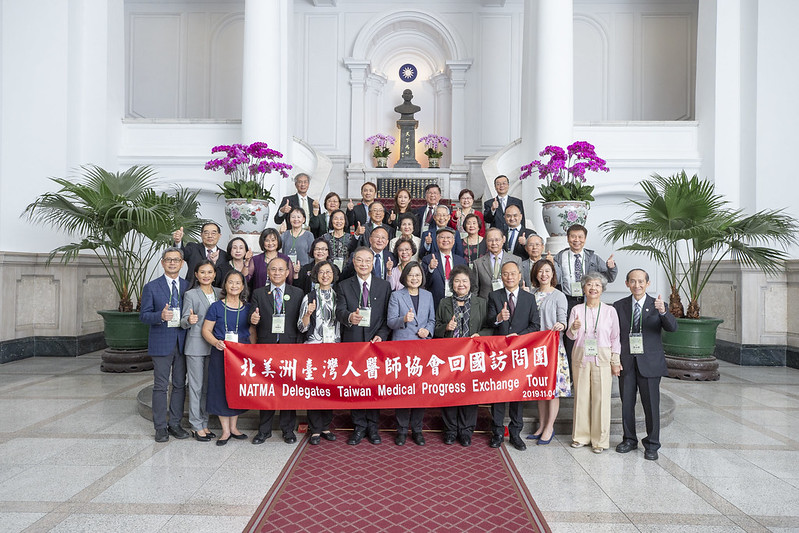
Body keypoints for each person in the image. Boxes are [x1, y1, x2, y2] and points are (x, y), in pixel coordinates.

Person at [613, 269, 678, 461]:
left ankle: (652, 444)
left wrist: (664, 312)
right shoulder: (619, 306)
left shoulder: (658, 305)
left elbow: (672, 328)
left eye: (641, 281)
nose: (637, 285)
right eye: (633, 281)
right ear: (627, 284)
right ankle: (629, 439)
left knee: (651, 405)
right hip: (627, 362)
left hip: (649, 363)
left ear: (647, 284)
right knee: (627, 404)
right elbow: (614, 334)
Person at [335, 247, 392, 445]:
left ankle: (373, 427)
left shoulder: (384, 286)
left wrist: (381, 336)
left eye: (368, 260)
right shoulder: (343, 286)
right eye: (360, 260)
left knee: (373, 386)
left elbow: (387, 317)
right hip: (353, 343)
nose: (364, 264)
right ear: (353, 261)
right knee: (356, 386)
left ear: (373, 263)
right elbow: (339, 311)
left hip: (375, 344)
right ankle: (359, 427)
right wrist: (349, 317)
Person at [486, 261, 541, 451]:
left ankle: (516, 433)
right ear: (501, 276)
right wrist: (499, 318)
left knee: (517, 394)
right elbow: (489, 322)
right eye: (505, 274)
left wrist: (519, 337)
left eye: (513, 274)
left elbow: (535, 325)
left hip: (520, 353)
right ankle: (497, 432)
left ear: (519, 276)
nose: (509, 277)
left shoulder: (529, 298)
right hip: (500, 354)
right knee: (498, 393)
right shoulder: (494, 296)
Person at [249, 257, 304, 445]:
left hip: (290, 348)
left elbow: (300, 322)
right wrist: (253, 319)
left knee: (288, 391)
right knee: (267, 390)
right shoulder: (258, 293)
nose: (277, 273)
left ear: (288, 272)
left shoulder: (298, 293)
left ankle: (288, 430)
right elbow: (252, 317)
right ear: (268, 272)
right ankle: (264, 430)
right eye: (273, 269)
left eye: (281, 269)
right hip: (267, 347)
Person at [566, 272, 621, 454]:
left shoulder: (610, 311)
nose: (593, 288)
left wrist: (615, 360)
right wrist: (573, 329)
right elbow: (570, 335)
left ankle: (600, 440)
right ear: (584, 288)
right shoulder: (576, 310)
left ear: (602, 289)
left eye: (597, 285)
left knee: (601, 398)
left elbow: (615, 337)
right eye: (589, 284)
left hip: (603, 356)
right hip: (581, 355)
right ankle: (580, 436)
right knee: (581, 396)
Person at [140, 247, 190, 442]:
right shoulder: (151, 287)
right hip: (161, 342)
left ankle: (175, 424)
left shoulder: (188, 286)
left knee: (179, 385)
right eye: (168, 260)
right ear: (162, 262)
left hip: (183, 342)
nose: (172, 263)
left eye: (176, 260)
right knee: (160, 386)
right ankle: (160, 426)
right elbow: (143, 316)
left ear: (182, 263)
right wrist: (159, 316)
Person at [434, 265, 486, 447]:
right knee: (449, 392)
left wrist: (481, 335)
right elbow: (436, 326)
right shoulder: (444, 303)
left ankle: (465, 431)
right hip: (450, 355)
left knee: (470, 394)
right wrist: (445, 328)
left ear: (470, 283)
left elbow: (489, 327)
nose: (461, 284)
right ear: (451, 284)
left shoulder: (481, 302)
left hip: (473, 356)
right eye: (457, 281)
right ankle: (450, 430)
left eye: (464, 281)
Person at [387, 262, 436, 446]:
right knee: (403, 390)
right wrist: (403, 319)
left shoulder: (428, 295)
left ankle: (417, 429)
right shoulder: (396, 296)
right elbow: (391, 322)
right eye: (411, 275)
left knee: (420, 392)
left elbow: (432, 319)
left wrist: (428, 330)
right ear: (404, 277)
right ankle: (401, 430)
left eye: (417, 275)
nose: (414, 278)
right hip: (402, 349)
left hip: (423, 348)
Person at [525, 259, 572, 445]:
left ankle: (549, 427)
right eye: (540, 271)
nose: (544, 274)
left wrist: (561, 324)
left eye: (547, 271)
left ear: (553, 274)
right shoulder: (531, 294)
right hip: (535, 350)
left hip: (553, 350)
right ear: (535, 274)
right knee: (540, 388)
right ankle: (542, 424)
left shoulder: (559, 295)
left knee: (552, 390)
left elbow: (564, 320)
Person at [201, 270, 251, 446]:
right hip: (221, 354)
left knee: (236, 389)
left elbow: (251, 332)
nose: (234, 286)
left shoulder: (248, 308)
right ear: (225, 285)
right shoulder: (216, 307)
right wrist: (215, 342)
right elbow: (206, 330)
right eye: (231, 282)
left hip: (240, 357)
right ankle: (225, 430)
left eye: (238, 283)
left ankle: (235, 428)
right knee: (221, 389)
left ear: (243, 286)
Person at [554, 224, 617, 361]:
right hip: (568, 300)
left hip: (587, 300)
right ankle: (571, 371)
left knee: (588, 332)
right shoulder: (560, 256)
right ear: (568, 238)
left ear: (585, 238)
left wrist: (611, 268)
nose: (577, 240)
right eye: (573, 236)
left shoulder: (593, 257)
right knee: (570, 335)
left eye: (580, 237)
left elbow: (609, 278)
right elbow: (555, 280)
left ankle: (588, 363)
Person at [298, 260, 340, 445]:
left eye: (328, 272)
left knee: (330, 389)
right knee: (314, 389)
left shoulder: (339, 296)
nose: (325, 275)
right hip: (314, 347)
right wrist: (308, 314)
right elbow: (301, 327)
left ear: (333, 274)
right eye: (321, 272)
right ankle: (314, 429)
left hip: (333, 348)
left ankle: (325, 426)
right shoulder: (309, 296)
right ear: (316, 275)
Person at [180, 260, 222, 442]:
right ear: (196, 275)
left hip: (214, 345)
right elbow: (182, 321)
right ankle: (196, 426)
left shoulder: (221, 292)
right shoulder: (190, 294)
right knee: (196, 387)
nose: (206, 275)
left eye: (209, 272)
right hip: (196, 346)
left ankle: (204, 423)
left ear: (214, 275)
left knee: (207, 387)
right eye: (202, 272)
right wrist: (188, 321)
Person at [422, 227, 467, 310]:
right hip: (436, 303)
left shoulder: (461, 261)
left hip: (457, 302)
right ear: (437, 241)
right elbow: (424, 284)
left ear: (453, 241)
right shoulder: (428, 259)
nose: (445, 240)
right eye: (442, 237)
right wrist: (430, 269)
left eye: (448, 237)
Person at [172, 222, 228, 287]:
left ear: (219, 236)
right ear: (201, 235)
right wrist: (178, 242)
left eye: (213, 233)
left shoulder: (225, 256)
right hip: (192, 290)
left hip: (216, 293)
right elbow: (180, 254)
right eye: (206, 233)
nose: (210, 236)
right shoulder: (193, 248)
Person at [472, 227, 521, 299]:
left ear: (503, 240)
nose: (494, 243)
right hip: (486, 304)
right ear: (486, 241)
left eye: (497, 240)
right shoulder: (478, 263)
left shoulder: (516, 260)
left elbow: (520, 284)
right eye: (490, 240)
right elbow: (475, 289)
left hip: (509, 302)